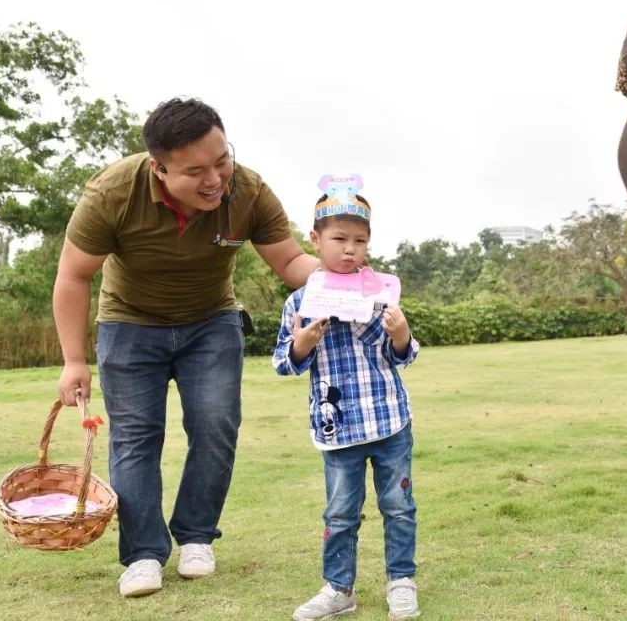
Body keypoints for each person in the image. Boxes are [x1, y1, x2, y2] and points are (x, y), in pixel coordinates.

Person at [53, 97, 318, 597]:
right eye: (195, 171)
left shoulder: (249, 190)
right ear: (159, 168)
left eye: (222, 160)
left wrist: (338, 275)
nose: (215, 179)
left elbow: (289, 262)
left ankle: (197, 536)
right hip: (129, 324)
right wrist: (72, 360)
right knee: (135, 438)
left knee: (216, 424)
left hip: (211, 321)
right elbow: (73, 275)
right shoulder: (112, 193)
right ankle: (143, 555)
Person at [272, 184, 421, 621]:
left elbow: (404, 355)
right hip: (337, 427)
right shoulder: (300, 302)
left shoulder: (381, 292)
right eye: (339, 239)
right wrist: (301, 344)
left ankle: (401, 581)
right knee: (340, 513)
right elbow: (284, 362)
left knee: (398, 506)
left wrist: (400, 334)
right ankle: (340, 588)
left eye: (359, 241)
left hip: (389, 420)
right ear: (315, 240)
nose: (350, 250)